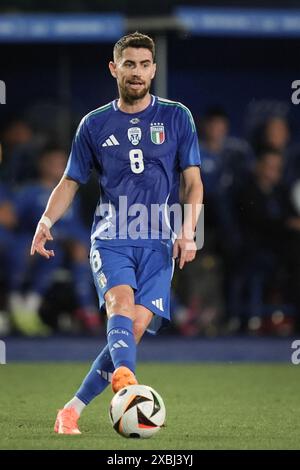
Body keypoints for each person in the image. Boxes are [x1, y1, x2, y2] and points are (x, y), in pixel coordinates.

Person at [30, 32, 203, 434]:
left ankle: (71, 409)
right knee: (119, 304)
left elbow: (193, 183)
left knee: (133, 330)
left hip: (159, 240)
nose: (137, 72)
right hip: (113, 234)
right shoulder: (93, 124)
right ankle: (128, 386)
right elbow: (69, 181)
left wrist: (188, 231)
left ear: (154, 69)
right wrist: (45, 221)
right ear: (114, 68)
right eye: (129, 64)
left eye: (144, 65)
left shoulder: (178, 117)